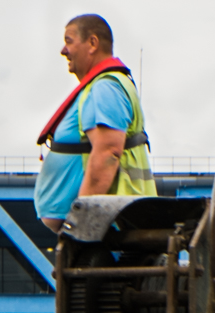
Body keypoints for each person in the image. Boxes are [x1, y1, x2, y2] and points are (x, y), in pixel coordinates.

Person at [34, 14, 157, 234]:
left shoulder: (104, 88)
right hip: (109, 224)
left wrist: (81, 223)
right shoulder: (103, 85)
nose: (63, 50)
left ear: (92, 43)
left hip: (106, 228)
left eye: (69, 41)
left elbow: (108, 153)